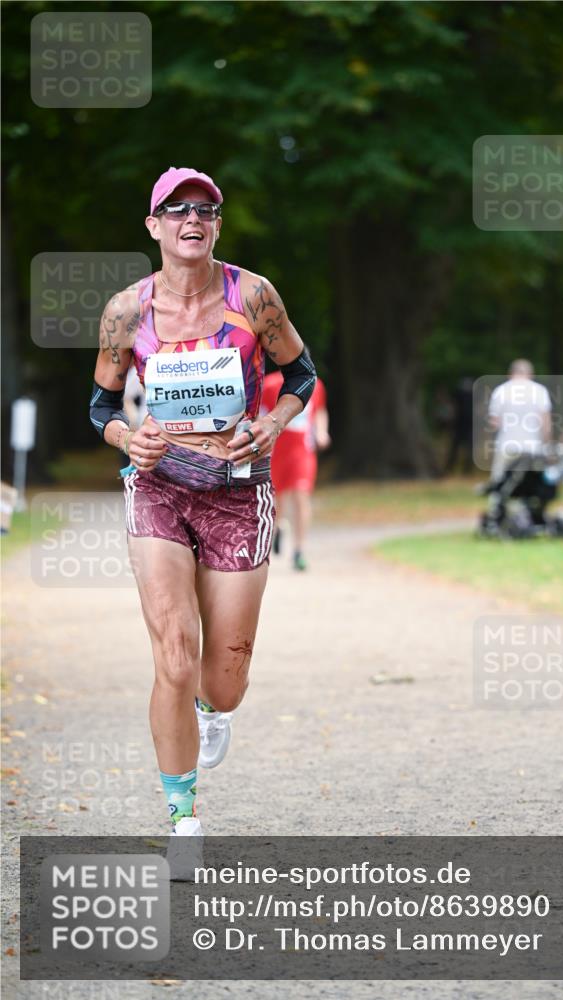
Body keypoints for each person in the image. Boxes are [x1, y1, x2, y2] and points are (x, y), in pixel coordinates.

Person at [89, 167, 316, 870]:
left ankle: (214, 714)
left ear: (216, 225)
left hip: (238, 488)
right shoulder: (126, 311)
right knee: (174, 655)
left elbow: (302, 376)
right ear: (153, 225)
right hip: (158, 487)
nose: (193, 217)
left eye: (207, 209)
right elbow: (99, 408)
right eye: (177, 208)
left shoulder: (253, 295)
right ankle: (182, 816)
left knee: (224, 676)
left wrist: (272, 423)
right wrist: (131, 438)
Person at [260, 370, 330, 570]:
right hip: (276, 452)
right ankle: (278, 527)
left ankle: (299, 550)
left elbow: (320, 410)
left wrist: (322, 432)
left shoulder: (315, 384)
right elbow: (259, 414)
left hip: (302, 451)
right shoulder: (271, 384)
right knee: (277, 499)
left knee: (301, 495)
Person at [487, 359, 551, 483]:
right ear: (531, 374)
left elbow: (494, 423)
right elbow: (546, 423)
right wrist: (546, 445)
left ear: (510, 374)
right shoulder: (540, 391)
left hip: (506, 444)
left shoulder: (500, 390)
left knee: (499, 481)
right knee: (529, 483)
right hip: (532, 446)